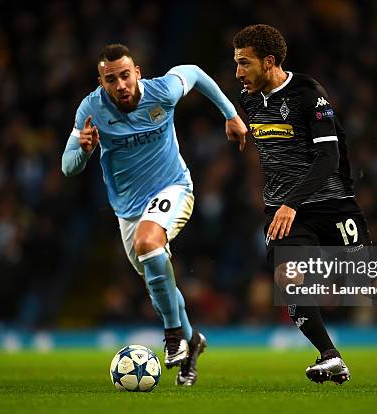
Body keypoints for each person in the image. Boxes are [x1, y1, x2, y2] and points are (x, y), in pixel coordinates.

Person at [232, 24, 377, 384]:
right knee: (288, 278)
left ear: (269, 62)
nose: (238, 72)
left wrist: (293, 202)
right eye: (236, 63)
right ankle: (330, 356)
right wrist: (233, 121)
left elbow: (328, 157)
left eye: (244, 63)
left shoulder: (308, 93)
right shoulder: (248, 98)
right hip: (284, 211)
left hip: (332, 205)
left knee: (369, 287)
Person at [62, 44, 248, 385]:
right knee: (159, 278)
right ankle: (193, 343)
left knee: (149, 242)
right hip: (128, 211)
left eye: (125, 75)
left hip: (174, 189)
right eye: (111, 79)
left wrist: (230, 114)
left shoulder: (162, 91)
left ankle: (173, 336)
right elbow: (67, 167)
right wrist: (84, 151)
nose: (120, 84)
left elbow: (193, 71)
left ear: (138, 73)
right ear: (101, 82)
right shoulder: (91, 109)